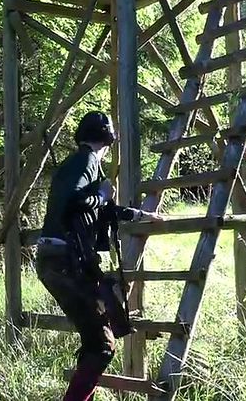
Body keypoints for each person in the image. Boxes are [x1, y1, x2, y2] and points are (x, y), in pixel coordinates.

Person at [35, 111, 163, 401]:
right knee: (102, 345)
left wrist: (142, 214)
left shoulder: (80, 163)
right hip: (64, 260)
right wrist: (104, 194)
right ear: (107, 139)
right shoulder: (86, 161)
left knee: (95, 339)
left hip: (56, 259)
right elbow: (75, 204)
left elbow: (97, 209)